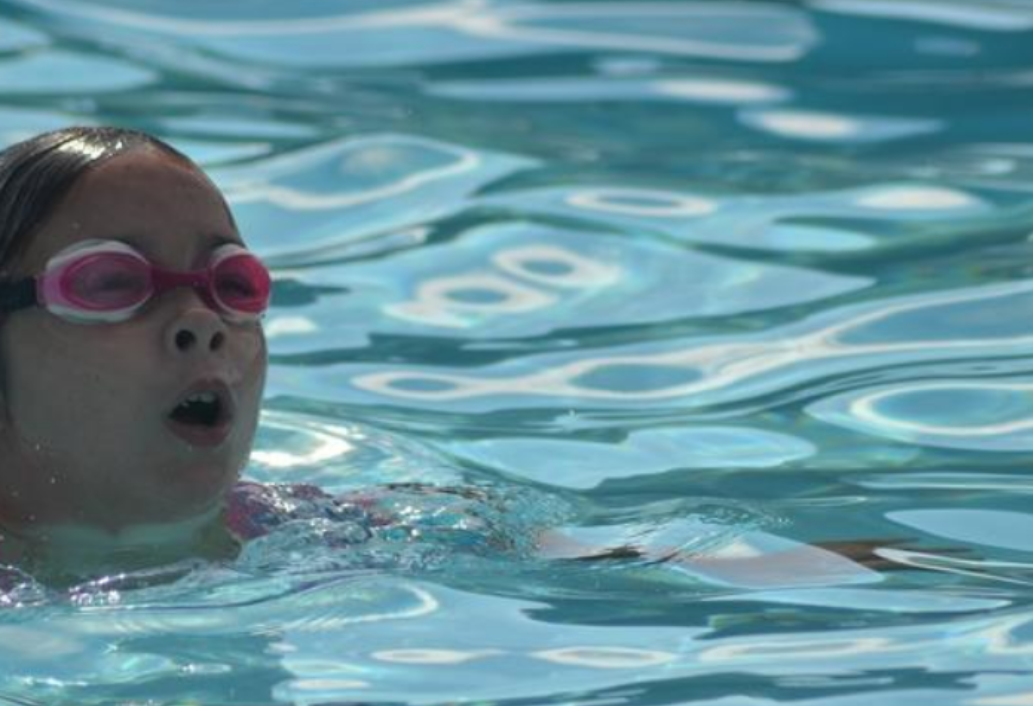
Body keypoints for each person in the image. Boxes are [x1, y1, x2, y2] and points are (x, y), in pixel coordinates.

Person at [0, 125, 913, 587]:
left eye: (230, 285)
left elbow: (638, 565)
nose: (202, 324)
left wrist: (902, 571)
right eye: (111, 285)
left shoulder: (322, 534)